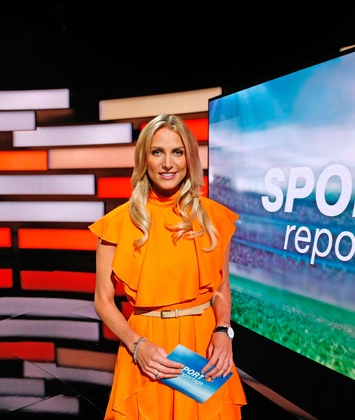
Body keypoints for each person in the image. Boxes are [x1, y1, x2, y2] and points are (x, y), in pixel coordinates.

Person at [89, 114, 247, 419]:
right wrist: (138, 346)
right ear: (144, 159)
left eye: (177, 152)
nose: (167, 164)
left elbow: (222, 286)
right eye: (157, 152)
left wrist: (223, 331)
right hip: (148, 350)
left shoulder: (214, 218)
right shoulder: (117, 223)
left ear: (189, 158)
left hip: (203, 346)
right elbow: (103, 300)